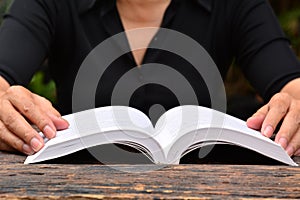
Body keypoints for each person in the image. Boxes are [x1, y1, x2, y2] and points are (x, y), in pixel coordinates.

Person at [0, 0, 300, 157]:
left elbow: (292, 86)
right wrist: (7, 108)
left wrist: (293, 108)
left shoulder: (236, 5)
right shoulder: (49, 2)